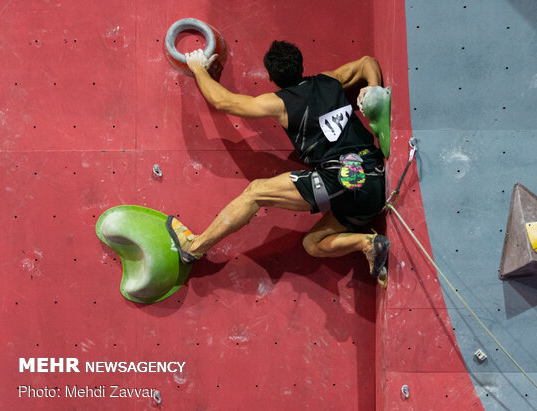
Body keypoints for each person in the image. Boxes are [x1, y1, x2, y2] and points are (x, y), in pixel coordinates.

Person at [167, 40, 390, 285]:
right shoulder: (330, 80)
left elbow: (224, 102)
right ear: (301, 64)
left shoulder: (280, 103)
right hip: (374, 187)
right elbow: (367, 62)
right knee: (312, 244)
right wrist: (373, 88)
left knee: (255, 192)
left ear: (271, 77)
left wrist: (198, 69)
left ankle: (194, 247)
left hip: (345, 178)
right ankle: (367, 243)